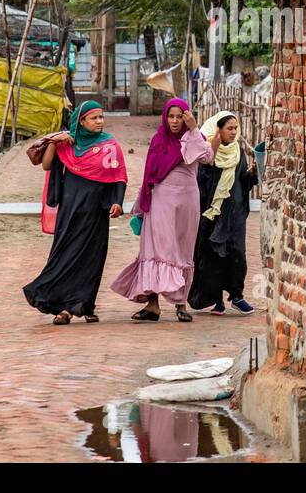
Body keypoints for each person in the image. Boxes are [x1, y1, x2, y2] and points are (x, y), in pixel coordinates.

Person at [23, 101, 128, 325]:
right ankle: (62, 306)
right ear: (81, 122)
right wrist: (54, 141)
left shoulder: (109, 145)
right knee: (64, 255)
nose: (100, 122)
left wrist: (117, 202)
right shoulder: (67, 143)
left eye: (101, 117)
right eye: (94, 118)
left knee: (92, 258)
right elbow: (46, 165)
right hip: (69, 210)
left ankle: (84, 304)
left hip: (96, 210)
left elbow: (119, 175)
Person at [110, 97, 212, 322]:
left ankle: (180, 304)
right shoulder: (158, 140)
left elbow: (207, 157)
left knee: (182, 250)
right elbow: (149, 175)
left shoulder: (193, 138)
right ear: (165, 117)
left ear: (186, 117)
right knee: (157, 250)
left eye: (179, 117)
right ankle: (152, 304)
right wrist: (140, 205)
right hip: (161, 201)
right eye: (171, 116)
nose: (175, 121)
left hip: (187, 202)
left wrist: (194, 129)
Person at [188, 112, 257, 315]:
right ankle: (216, 299)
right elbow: (201, 181)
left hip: (234, 213)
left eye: (236, 128)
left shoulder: (238, 153)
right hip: (212, 213)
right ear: (218, 130)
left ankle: (237, 296)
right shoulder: (206, 153)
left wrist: (252, 175)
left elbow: (242, 184)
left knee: (237, 254)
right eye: (229, 128)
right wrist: (213, 152)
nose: (234, 132)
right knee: (213, 256)